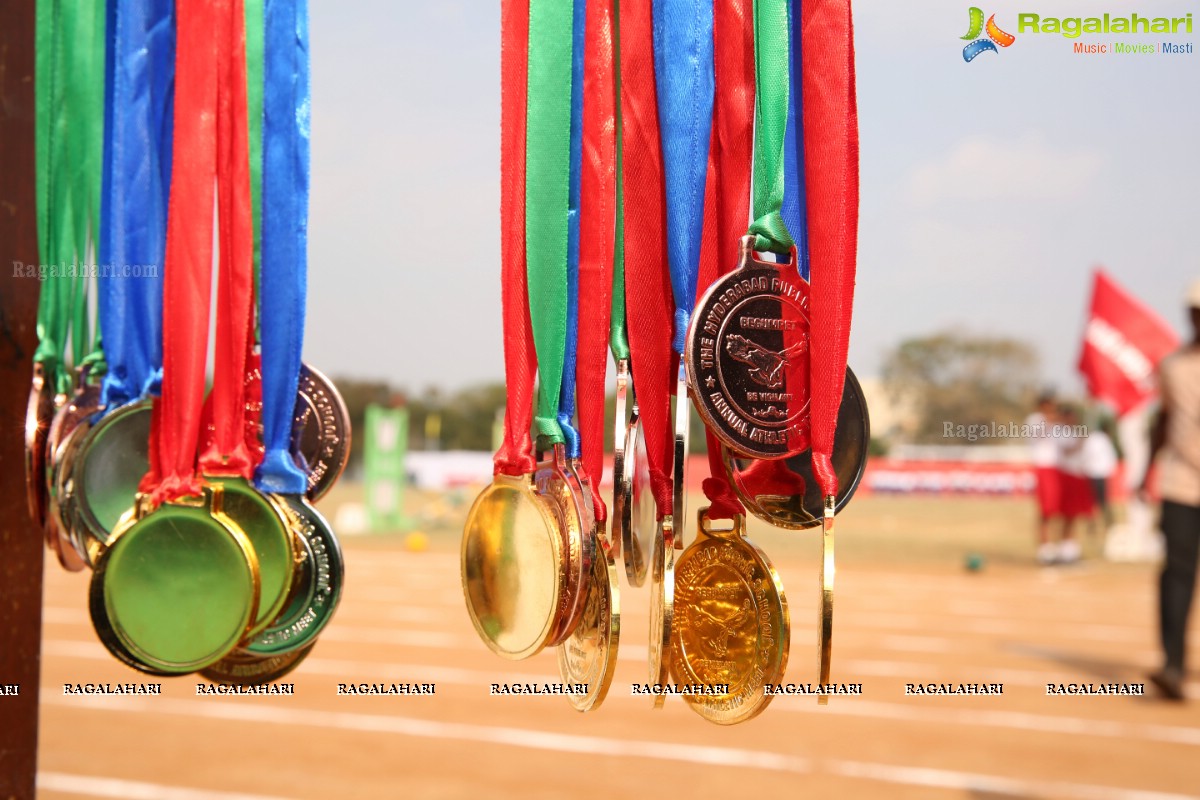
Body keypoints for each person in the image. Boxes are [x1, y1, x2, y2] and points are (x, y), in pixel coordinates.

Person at [1140, 280, 1200, 702]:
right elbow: (1163, 421)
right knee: (1177, 575)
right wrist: (1147, 471)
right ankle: (1173, 665)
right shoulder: (1174, 366)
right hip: (1182, 483)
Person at [1027, 393, 1062, 564]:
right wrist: (1051, 420)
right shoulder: (1035, 420)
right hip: (1043, 467)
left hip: (1057, 468)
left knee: (1057, 509)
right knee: (1045, 509)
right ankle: (1044, 548)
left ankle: (1057, 547)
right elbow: (1038, 434)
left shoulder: (1057, 422)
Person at [1056, 404, 1090, 564]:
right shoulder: (1060, 432)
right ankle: (1064, 549)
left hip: (1078, 474)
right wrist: (1080, 443)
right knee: (1067, 514)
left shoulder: (1076, 432)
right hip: (1066, 475)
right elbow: (1066, 451)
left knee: (1075, 515)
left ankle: (1070, 548)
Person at [1081, 417, 1119, 533]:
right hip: (1100, 474)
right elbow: (1111, 457)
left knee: (1092, 502)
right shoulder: (1104, 440)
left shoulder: (1091, 438)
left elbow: (1085, 455)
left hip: (1091, 473)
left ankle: (1092, 526)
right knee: (1103, 501)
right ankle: (1108, 523)